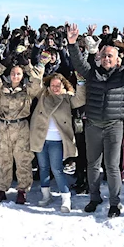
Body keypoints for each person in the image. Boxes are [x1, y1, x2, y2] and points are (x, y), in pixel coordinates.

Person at [66, 24, 124, 217]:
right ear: (99, 57)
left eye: (111, 56)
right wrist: (72, 43)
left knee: (112, 166)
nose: (107, 58)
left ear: (117, 61)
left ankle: (115, 203)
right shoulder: (92, 73)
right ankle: (94, 197)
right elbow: (77, 63)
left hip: (114, 125)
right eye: (104, 55)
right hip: (92, 125)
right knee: (92, 164)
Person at [0, 51, 45, 204]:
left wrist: (27, 66)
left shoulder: (27, 91)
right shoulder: (1, 89)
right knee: (2, 158)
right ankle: (1, 189)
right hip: (4, 127)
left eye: (18, 74)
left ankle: (22, 190)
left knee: (23, 159)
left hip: (21, 127)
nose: (15, 76)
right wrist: (3, 65)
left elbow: (37, 80)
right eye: (13, 73)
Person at [29, 72, 86, 211]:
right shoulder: (43, 94)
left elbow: (81, 99)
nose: (55, 88)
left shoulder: (67, 97)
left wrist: (81, 82)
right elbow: (34, 86)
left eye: (58, 85)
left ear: (63, 85)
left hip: (57, 140)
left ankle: (66, 199)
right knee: (43, 168)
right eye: (52, 85)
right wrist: (40, 67)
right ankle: (46, 195)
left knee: (57, 169)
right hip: (41, 138)